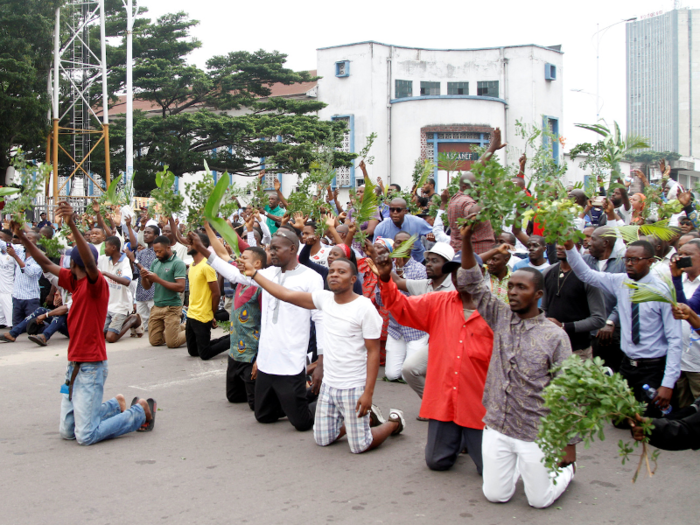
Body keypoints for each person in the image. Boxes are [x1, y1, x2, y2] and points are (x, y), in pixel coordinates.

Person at [9, 203, 155, 444]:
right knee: (68, 432)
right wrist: (23, 238)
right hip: (74, 365)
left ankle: (138, 412)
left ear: (74, 265)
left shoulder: (96, 285)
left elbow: (89, 263)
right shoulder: (74, 281)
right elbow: (45, 263)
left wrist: (72, 225)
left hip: (91, 366)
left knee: (85, 435)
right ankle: (113, 406)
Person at [459, 218, 576, 509]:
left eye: (520, 288)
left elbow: (567, 390)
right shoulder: (501, 316)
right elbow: (471, 280)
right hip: (497, 424)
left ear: (538, 295)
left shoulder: (555, 336)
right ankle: (520, 472)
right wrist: (466, 240)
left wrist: (569, 443)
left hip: (535, 430)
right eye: (510, 287)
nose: (512, 292)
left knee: (539, 500)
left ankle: (565, 473)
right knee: (496, 495)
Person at [240, 254, 406, 453]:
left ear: (353, 279)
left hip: (353, 386)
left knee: (360, 446)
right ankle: (366, 421)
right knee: (322, 438)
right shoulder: (324, 299)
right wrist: (255, 274)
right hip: (329, 385)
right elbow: (286, 294)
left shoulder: (364, 307)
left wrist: (368, 393)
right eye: (332, 271)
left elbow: (372, 352)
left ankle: (393, 423)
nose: (334, 275)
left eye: (341, 272)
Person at [373, 243, 492, 472]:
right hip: (445, 401)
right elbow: (402, 307)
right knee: (436, 462)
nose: (458, 276)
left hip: (478, 405)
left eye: (465, 270)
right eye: (454, 271)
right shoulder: (439, 302)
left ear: (481, 273)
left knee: (488, 470)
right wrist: (387, 279)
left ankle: (469, 438)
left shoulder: (494, 311)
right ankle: (457, 438)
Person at [200, 228, 323, 431]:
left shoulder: (311, 278)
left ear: (292, 249)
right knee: (264, 416)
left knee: (302, 423)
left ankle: (323, 402)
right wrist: (203, 250)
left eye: (276, 248)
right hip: (266, 361)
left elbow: (320, 320)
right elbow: (234, 274)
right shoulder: (267, 274)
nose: (270, 252)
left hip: (291, 362)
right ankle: (292, 402)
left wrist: (321, 360)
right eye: (269, 248)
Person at [565, 238, 682, 418]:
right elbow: (586, 275)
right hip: (627, 364)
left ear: (650, 261)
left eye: (635, 259)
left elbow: (675, 339)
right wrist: (570, 248)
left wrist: (668, 383)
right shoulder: (620, 281)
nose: (628, 264)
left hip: (652, 367)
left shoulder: (661, 292)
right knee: (621, 419)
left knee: (649, 424)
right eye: (626, 259)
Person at [388, 242, 456, 399]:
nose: (428, 264)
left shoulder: (457, 286)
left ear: (448, 266)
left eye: (435, 261)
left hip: (458, 343)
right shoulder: (426, 284)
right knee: (409, 369)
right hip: (437, 341)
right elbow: (397, 282)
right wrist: (379, 262)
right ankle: (431, 403)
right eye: (428, 260)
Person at [378, 232, 428, 381]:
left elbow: (419, 302)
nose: (401, 246)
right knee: (392, 375)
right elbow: (381, 301)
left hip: (415, 328)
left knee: (408, 376)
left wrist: (396, 284)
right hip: (396, 328)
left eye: (404, 242)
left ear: (411, 245)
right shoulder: (386, 267)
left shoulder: (420, 270)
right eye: (398, 243)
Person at [542, 244, 606, 360]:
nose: (559, 246)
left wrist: (565, 326)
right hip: (550, 348)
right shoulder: (548, 272)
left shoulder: (588, 277)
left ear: (576, 247)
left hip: (577, 351)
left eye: (566, 244)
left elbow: (599, 319)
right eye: (558, 242)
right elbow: (544, 309)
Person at [446, 128, 505, 254]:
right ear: (466, 187)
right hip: (474, 256)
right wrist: (488, 193)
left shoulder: (461, 193)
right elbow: (474, 213)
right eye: (478, 186)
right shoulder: (463, 200)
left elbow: (476, 169)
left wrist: (492, 148)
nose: (480, 188)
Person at [583, 226, 627, 371]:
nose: (588, 243)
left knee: (609, 372)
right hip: (586, 329)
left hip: (611, 333)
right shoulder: (585, 261)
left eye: (593, 239)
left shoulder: (623, 263)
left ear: (605, 243)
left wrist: (611, 320)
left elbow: (626, 297)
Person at [139, 235, 187, 348]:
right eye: (155, 251)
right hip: (157, 306)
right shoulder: (155, 262)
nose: (157, 254)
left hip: (172, 307)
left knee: (172, 343)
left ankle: (193, 329)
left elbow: (181, 287)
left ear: (168, 248)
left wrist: (158, 280)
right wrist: (144, 277)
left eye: (159, 251)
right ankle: (178, 329)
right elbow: (147, 287)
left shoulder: (178, 263)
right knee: (155, 341)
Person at [670, 240, 700, 407]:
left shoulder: (679, 282)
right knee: (683, 411)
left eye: (688, 255)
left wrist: (676, 280)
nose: (682, 258)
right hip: (681, 361)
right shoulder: (682, 282)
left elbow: (688, 309)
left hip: (698, 364)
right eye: (680, 254)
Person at [185, 233, 222, 359]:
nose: (187, 245)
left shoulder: (207, 266)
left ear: (200, 245)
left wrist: (212, 313)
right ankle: (207, 345)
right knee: (193, 351)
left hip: (203, 316)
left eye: (191, 243)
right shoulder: (192, 265)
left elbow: (216, 293)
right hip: (191, 314)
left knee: (204, 355)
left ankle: (232, 339)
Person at [98, 236, 140, 343]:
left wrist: (107, 274)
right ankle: (122, 322)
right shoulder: (104, 259)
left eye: (106, 247)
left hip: (121, 306)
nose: (104, 249)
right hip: (108, 305)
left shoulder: (125, 261)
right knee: (99, 335)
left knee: (110, 338)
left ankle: (132, 320)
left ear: (113, 247)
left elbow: (126, 281)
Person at [371, 198, 433, 263]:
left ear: (405, 211)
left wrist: (432, 237)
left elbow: (435, 234)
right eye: (392, 210)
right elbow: (375, 248)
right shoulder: (381, 227)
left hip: (419, 261)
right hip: (393, 264)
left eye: (398, 210)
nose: (395, 212)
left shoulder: (417, 222)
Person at [125, 223, 159, 334]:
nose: (145, 234)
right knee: (143, 324)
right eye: (145, 232)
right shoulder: (141, 253)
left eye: (149, 232)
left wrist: (134, 260)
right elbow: (135, 273)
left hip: (154, 292)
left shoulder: (158, 253)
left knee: (155, 322)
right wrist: (131, 261)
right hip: (140, 292)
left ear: (156, 236)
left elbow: (149, 273)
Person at [5, 231, 42, 330]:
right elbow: (4, 244)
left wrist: (15, 257)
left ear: (36, 242)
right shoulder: (20, 250)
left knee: (34, 326)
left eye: (29, 238)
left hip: (31, 297)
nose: (25, 240)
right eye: (25, 238)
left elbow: (30, 272)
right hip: (17, 296)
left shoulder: (39, 256)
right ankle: (12, 335)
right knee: (17, 325)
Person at [0, 229, 15, 328]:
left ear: (8, 239)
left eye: (1, 237)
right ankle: (2, 321)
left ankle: (10, 324)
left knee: (7, 300)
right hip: (1, 284)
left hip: (8, 284)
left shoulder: (13, 251)